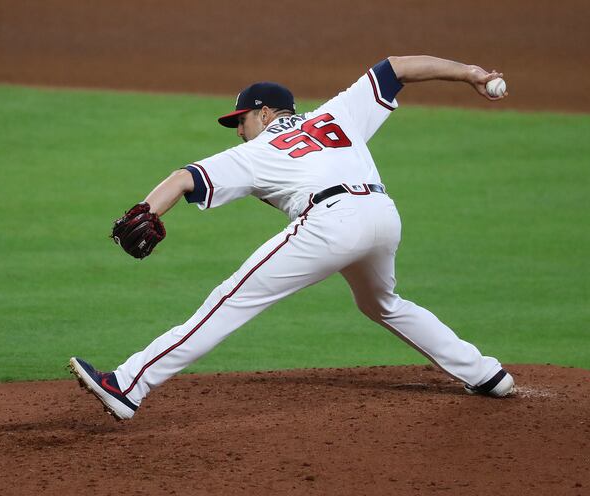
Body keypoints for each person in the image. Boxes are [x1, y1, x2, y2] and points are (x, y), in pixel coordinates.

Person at [70, 55, 514, 420]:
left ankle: (127, 383)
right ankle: (485, 373)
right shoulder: (336, 112)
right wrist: (471, 74)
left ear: (264, 113)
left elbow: (184, 177)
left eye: (240, 120)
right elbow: (396, 67)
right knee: (383, 303)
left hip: (333, 221)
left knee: (229, 303)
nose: (238, 130)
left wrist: (146, 210)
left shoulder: (256, 150)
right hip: (383, 215)